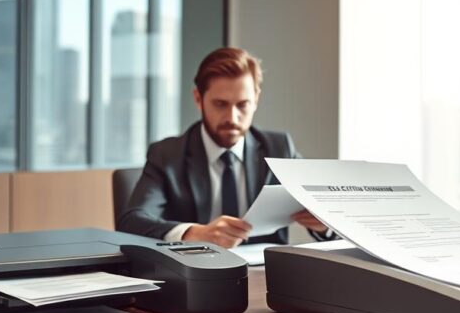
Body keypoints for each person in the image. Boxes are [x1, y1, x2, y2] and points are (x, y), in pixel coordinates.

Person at [116, 47, 332, 248]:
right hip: (196, 275)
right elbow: (132, 221)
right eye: (220, 104)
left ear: (256, 99)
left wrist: (324, 223)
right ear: (198, 99)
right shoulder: (167, 155)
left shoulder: (279, 148)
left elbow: (331, 209)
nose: (232, 117)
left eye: (242, 104)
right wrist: (193, 233)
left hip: (266, 276)